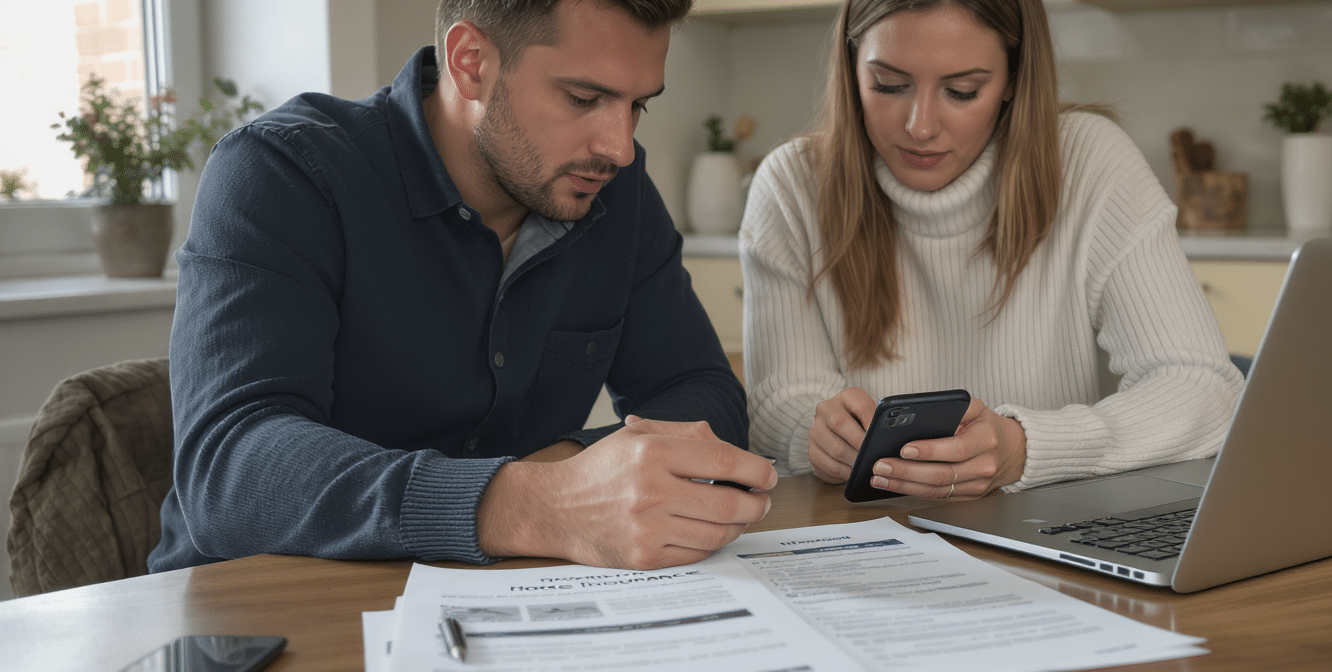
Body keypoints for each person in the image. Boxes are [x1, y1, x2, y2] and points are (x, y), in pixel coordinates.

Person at [149, 0, 777, 574]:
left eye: (638, 105)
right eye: (584, 98)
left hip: (501, 599)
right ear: (470, 62)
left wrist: (561, 473)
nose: (619, 148)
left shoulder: (617, 193)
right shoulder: (281, 173)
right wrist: (530, 503)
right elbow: (230, 468)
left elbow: (704, 395)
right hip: (263, 602)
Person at [740, 0, 1244, 500]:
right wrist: (815, 434)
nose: (920, 125)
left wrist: (1026, 446)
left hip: (1055, 538)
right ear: (851, 68)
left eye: (963, 92)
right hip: (872, 538)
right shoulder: (793, 186)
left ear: (1013, 81)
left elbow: (1202, 391)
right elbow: (778, 406)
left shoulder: (1090, 163)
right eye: (888, 84)